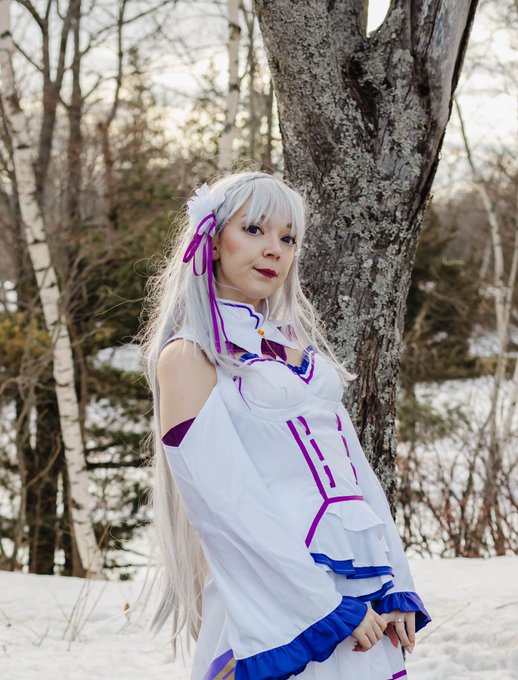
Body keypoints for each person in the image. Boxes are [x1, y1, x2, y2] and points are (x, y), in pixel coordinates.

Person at [141, 170, 430, 680]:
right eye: (254, 229)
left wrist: (397, 584)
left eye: (288, 238)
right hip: (277, 605)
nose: (274, 249)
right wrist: (322, 606)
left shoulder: (298, 350)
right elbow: (228, 507)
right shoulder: (189, 356)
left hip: (361, 591)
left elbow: (357, 475)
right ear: (212, 241)